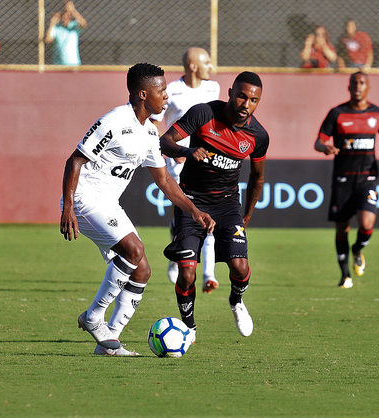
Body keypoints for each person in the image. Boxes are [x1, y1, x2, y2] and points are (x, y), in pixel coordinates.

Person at [60, 63, 215, 356]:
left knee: (142, 270)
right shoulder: (114, 121)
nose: (166, 97)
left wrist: (194, 212)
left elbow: (165, 181)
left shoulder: (148, 133)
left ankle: (111, 342)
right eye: (161, 91)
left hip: (106, 202)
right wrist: (68, 207)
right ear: (144, 94)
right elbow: (75, 161)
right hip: (83, 197)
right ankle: (94, 316)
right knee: (134, 249)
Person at [160, 71, 269, 339]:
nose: (246, 104)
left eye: (253, 100)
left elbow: (257, 178)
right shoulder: (203, 114)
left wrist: (247, 216)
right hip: (191, 201)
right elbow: (165, 142)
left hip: (227, 204)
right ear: (230, 92)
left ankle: (237, 301)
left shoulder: (258, 136)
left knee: (240, 267)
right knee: (186, 274)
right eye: (242, 96)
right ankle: (189, 327)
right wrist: (188, 151)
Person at [314, 71, 379, 289]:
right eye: (354, 83)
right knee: (342, 229)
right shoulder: (337, 113)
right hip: (342, 180)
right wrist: (326, 147)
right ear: (348, 87)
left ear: (368, 86)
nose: (358, 86)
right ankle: (345, 275)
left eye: (362, 83)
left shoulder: (378, 114)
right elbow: (318, 141)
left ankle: (357, 249)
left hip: (367, 179)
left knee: (367, 223)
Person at [150, 47, 221, 292]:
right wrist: (174, 151)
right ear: (193, 66)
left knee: (205, 215)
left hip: (206, 162)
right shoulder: (172, 91)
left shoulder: (214, 89)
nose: (211, 67)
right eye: (207, 62)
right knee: (190, 215)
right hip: (178, 163)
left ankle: (209, 275)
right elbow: (154, 124)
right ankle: (181, 252)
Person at [45, 1, 87, 65]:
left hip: (73, 63)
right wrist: (52, 23)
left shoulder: (74, 26)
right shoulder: (56, 28)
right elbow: (48, 39)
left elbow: (83, 24)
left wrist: (73, 10)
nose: (65, 18)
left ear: (70, 17)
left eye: (68, 16)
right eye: (64, 16)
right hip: (58, 64)